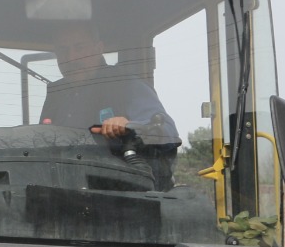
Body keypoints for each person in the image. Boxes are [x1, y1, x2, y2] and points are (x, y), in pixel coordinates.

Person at [40, 22, 180, 188]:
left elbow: (167, 132)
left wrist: (131, 127)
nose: (71, 58)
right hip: (62, 194)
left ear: (98, 48)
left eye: (80, 48)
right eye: (63, 51)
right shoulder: (56, 95)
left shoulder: (124, 84)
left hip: (120, 197)